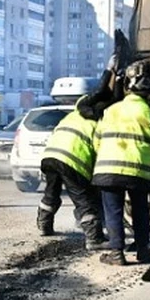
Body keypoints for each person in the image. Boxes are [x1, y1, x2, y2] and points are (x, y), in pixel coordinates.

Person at [92, 59, 150, 266]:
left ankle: (117, 254)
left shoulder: (111, 110)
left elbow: (97, 140)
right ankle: (143, 251)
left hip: (108, 170)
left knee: (113, 211)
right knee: (141, 211)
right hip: (138, 172)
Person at [36, 94, 106, 251]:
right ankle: (94, 238)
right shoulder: (96, 123)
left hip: (50, 157)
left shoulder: (70, 117)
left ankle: (44, 225)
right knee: (83, 198)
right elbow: (99, 149)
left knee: (51, 193)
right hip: (71, 160)